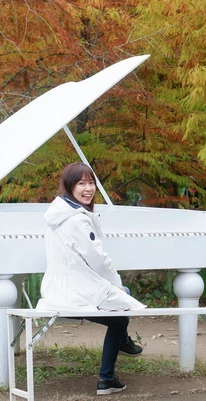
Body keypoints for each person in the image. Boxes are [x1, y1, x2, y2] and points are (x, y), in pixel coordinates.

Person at [37, 162, 146, 396]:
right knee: (121, 306)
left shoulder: (58, 214)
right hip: (72, 291)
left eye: (91, 183)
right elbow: (98, 259)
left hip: (57, 287)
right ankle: (106, 378)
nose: (88, 188)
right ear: (69, 185)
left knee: (122, 296)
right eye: (81, 183)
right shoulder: (76, 220)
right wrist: (114, 283)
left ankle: (124, 342)